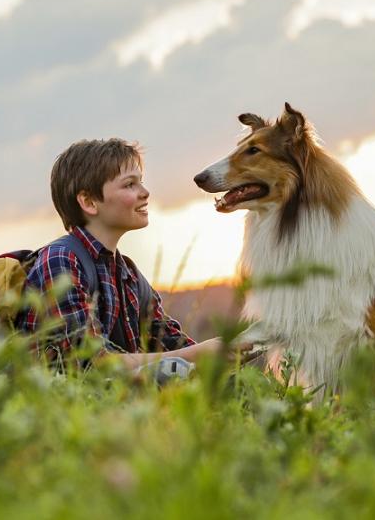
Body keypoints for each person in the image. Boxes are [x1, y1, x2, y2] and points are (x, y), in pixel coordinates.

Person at [16, 138, 223, 371]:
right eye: (129, 185)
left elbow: (171, 344)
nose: (145, 193)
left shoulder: (128, 274)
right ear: (89, 202)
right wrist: (198, 353)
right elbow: (93, 363)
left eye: (141, 182)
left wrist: (229, 350)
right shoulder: (60, 262)